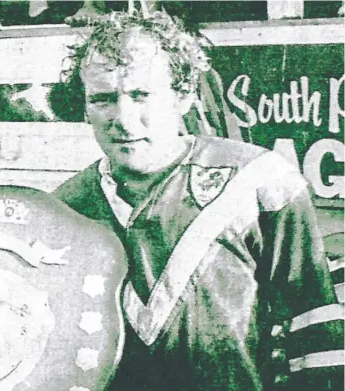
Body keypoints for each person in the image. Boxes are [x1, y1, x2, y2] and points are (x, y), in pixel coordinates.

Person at [54, 10, 343, 391]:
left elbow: (316, 332)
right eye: (103, 99)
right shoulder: (64, 210)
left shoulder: (261, 183)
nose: (123, 119)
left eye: (141, 95)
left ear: (184, 96)